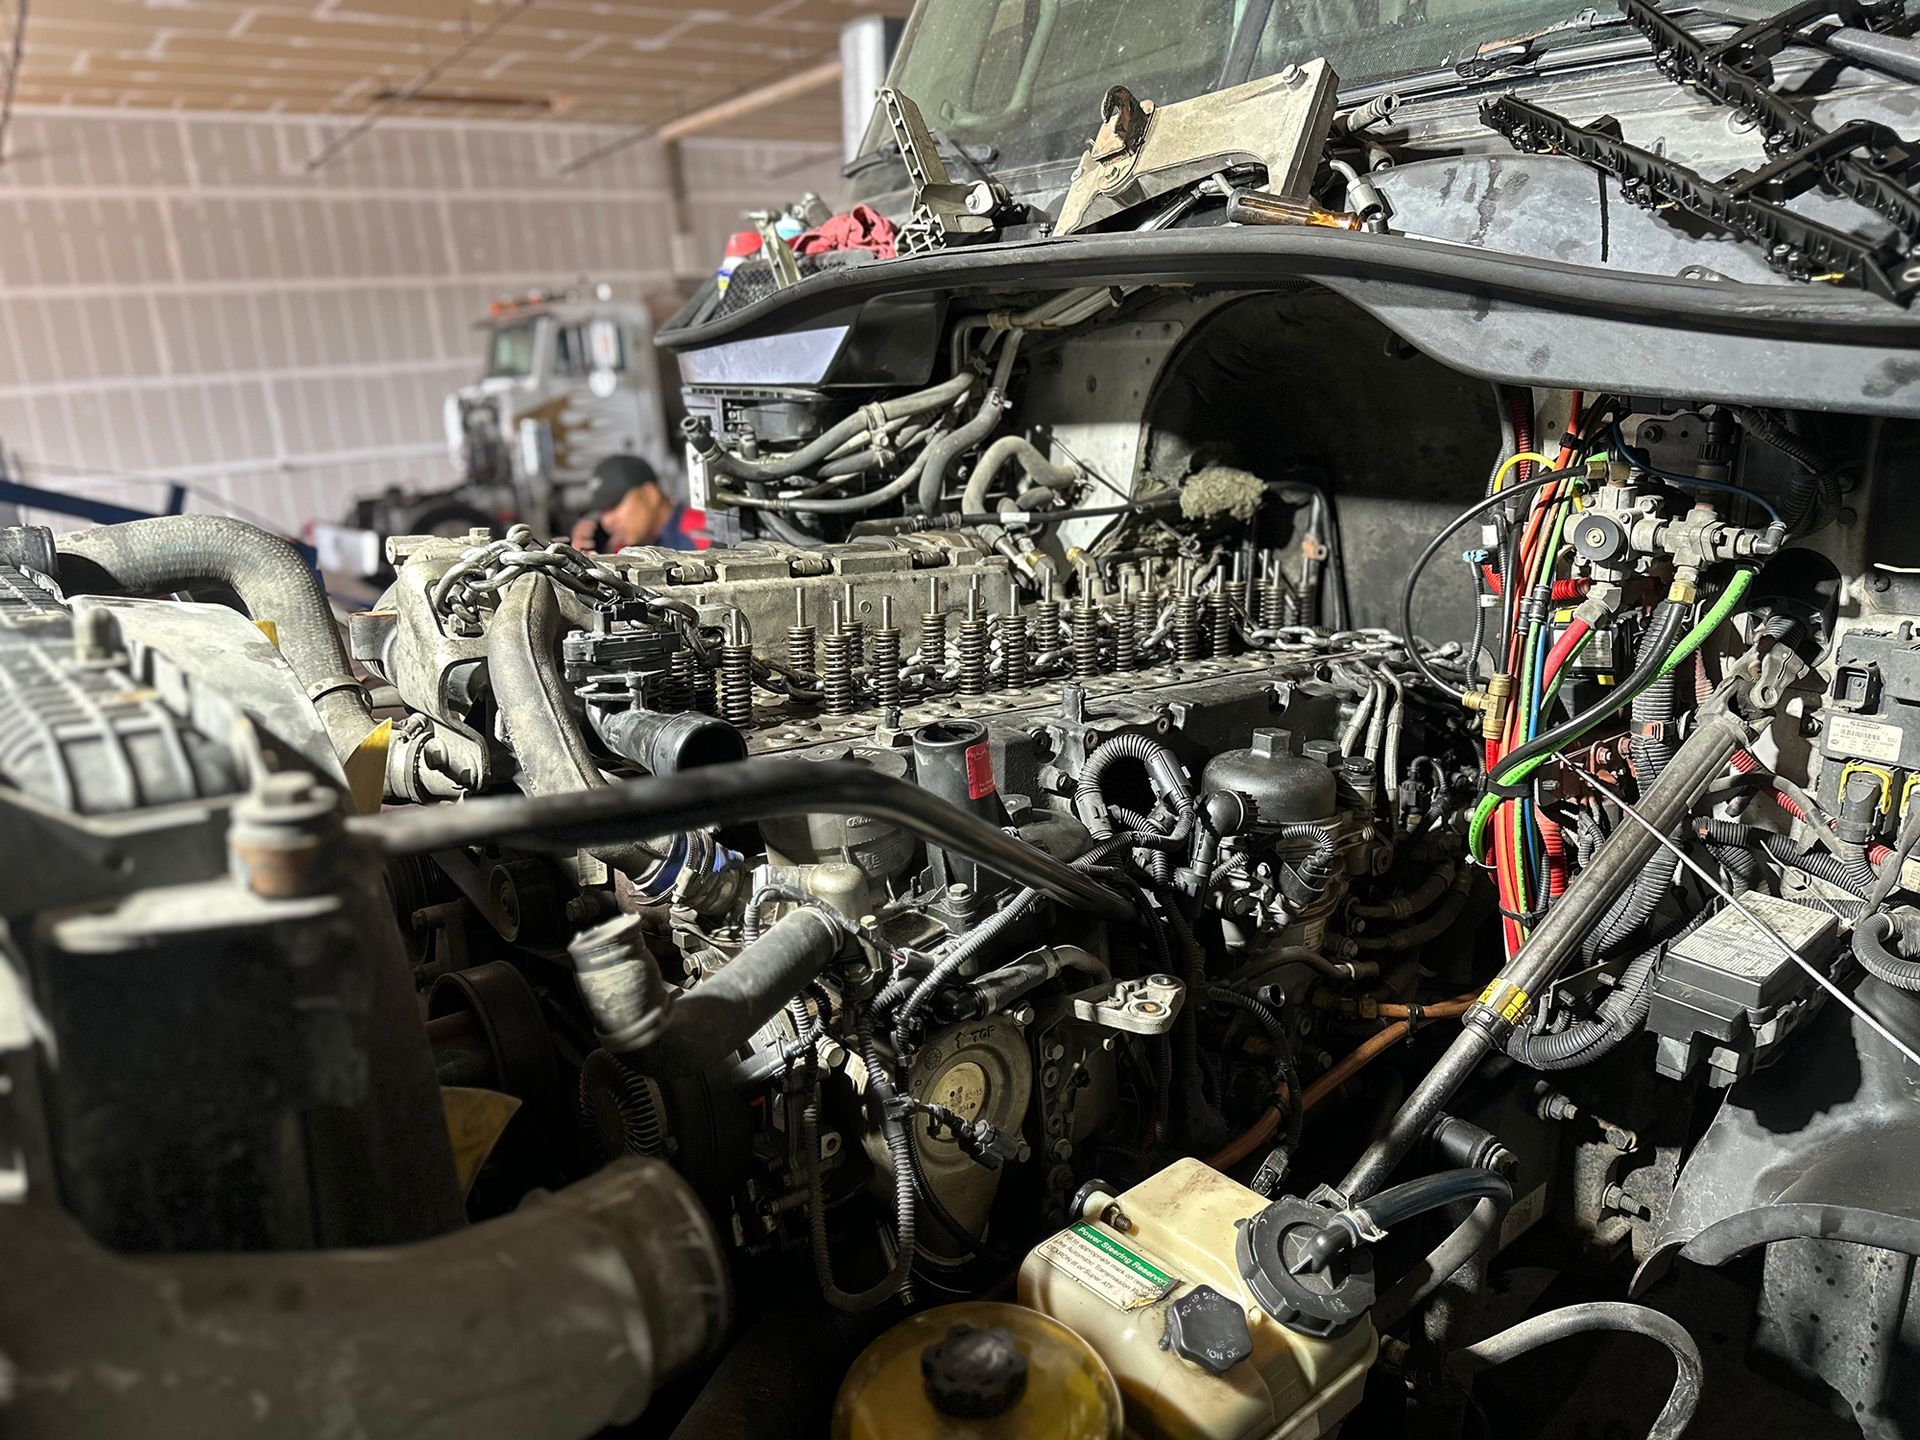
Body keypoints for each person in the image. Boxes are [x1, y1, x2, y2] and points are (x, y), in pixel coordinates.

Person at [569, 455, 702, 552]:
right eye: (602, 511)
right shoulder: (621, 549)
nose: (607, 521)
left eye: (614, 505)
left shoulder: (703, 534)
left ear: (650, 494)